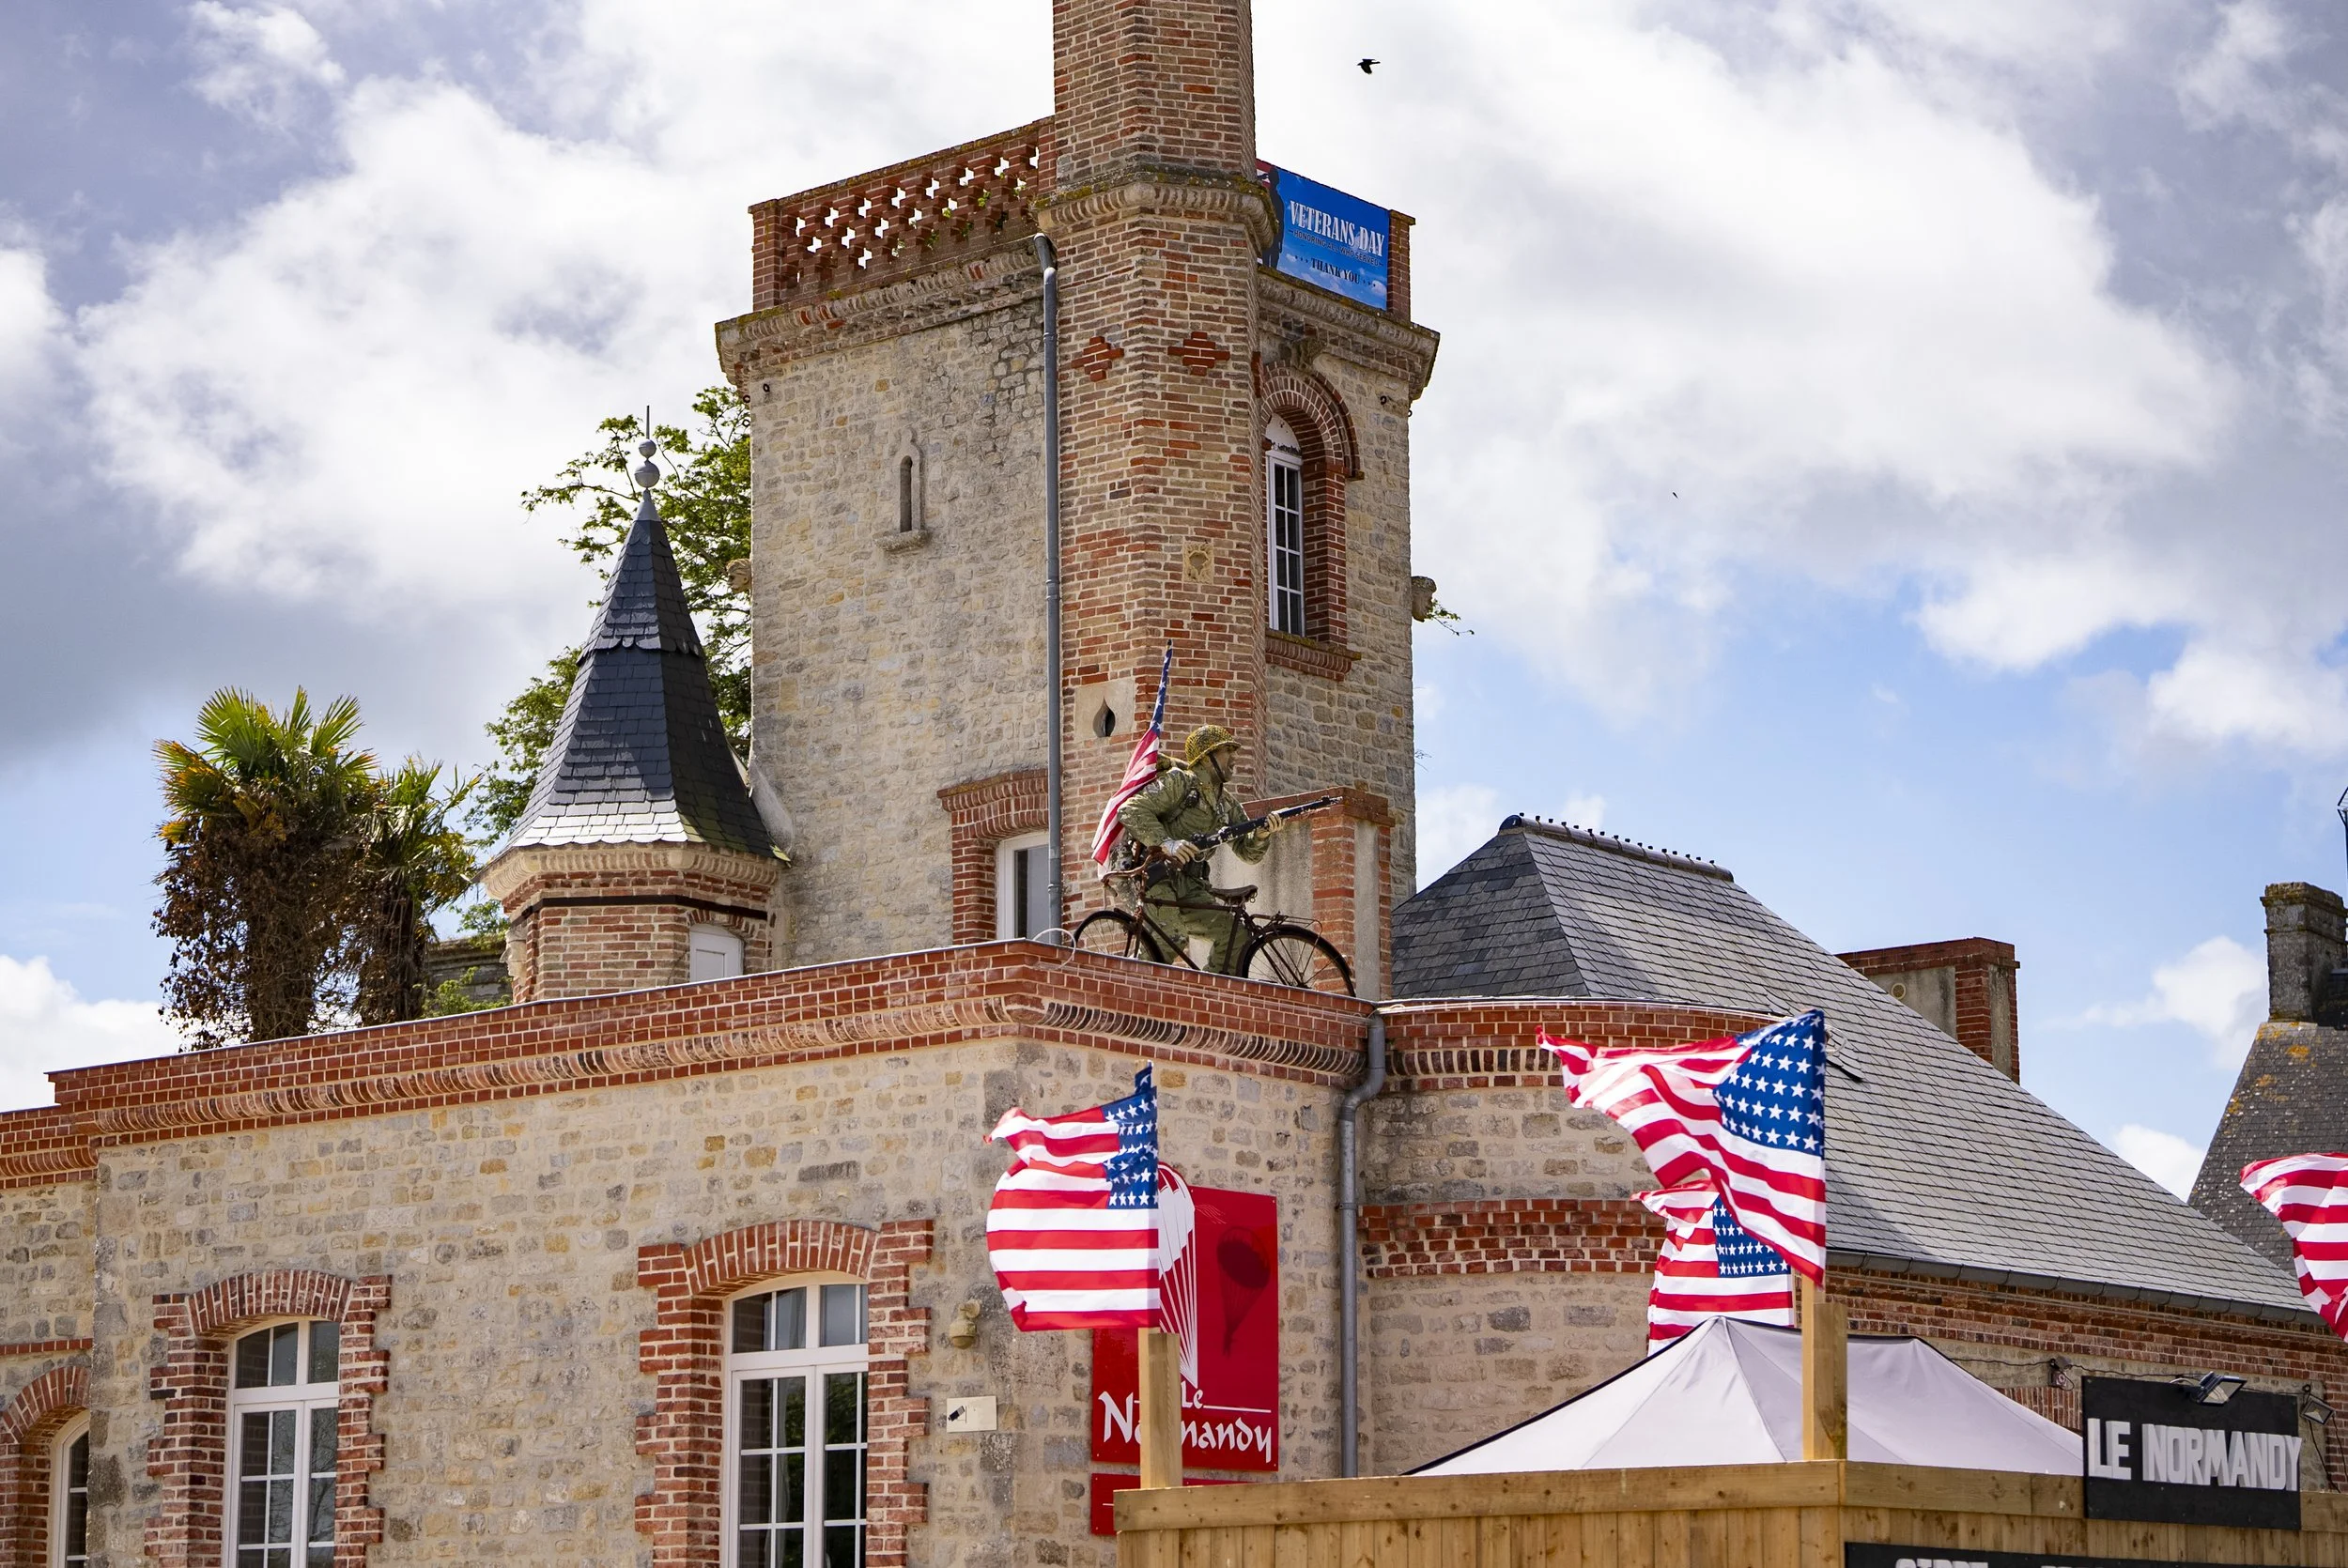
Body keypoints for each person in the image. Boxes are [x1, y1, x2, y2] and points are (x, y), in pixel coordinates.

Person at [1115, 725, 1291, 973]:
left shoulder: (1226, 804)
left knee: (1235, 936)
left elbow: (1247, 852)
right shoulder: (1180, 782)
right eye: (1227, 751)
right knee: (1171, 937)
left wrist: (1262, 834)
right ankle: (1136, 998)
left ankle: (1211, 998)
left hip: (1191, 884)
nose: (1234, 758)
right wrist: (1168, 843)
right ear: (1206, 757)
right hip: (1153, 875)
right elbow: (1131, 810)